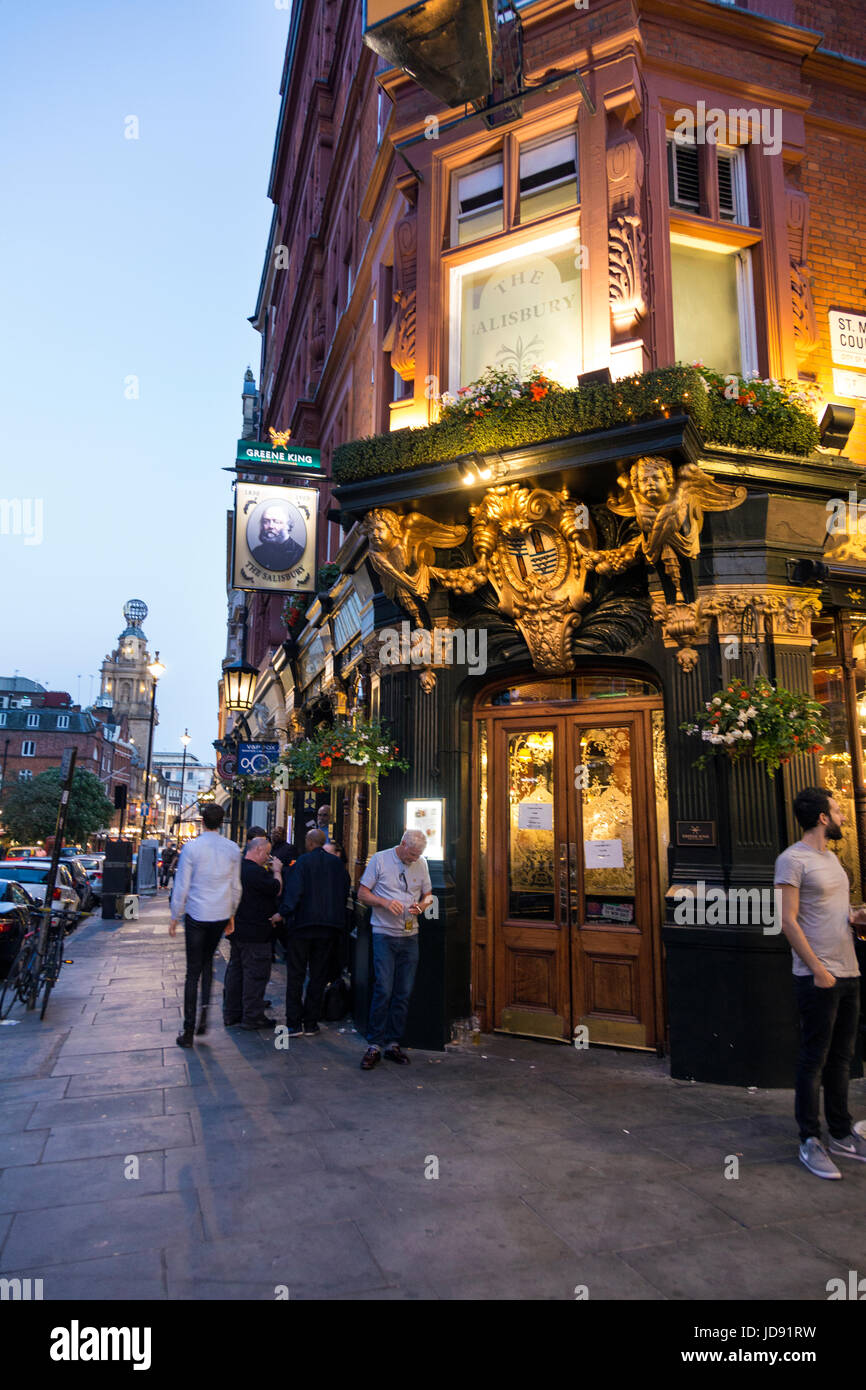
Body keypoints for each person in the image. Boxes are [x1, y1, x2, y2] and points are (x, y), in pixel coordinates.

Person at [775, 786, 866, 1178]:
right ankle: (810, 1140)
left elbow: (831, 910)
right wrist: (816, 969)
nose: (843, 815)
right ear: (822, 818)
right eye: (838, 810)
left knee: (842, 1058)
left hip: (849, 970)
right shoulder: (791, 860)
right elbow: (788, 920)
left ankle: (842, 1132)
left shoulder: (832, 860)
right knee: (814, 1058)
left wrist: (855, 916)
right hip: (819, 975)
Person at [357, 829, 433, 1070]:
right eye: (411, 854)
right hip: (384, 934)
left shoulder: (421, 864)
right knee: (384, 989)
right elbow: (362, 893)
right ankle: (374, 1044)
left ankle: (393, 1043)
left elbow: (429, 895)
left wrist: (422, 907)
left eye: (417, 855)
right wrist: (385, 902)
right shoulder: (380, 860)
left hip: (411, 936)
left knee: (404, 991)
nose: (413, 859)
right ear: (402, 844)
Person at [169, 804, 243, 1048]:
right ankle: (203, 1017)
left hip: (197, 915)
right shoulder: (232, 849)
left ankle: (188, 1030)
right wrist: (231, 915)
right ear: (222, 822)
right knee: (208, 962)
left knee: (193, 971)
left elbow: (182, 885)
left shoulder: (191, 848)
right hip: (220, 914)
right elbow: (236, 887)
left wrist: (174, 915)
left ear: (202, 821)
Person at [278, 829, 350, 1037]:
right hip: (328, 928)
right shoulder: (337, 865)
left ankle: (293, 1023)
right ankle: (311, 1022)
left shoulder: (302, 863)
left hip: (302, 927)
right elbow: (344, 890)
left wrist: (283, 913)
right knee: (318, 975)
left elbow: (294, 893)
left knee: (296, 975)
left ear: (310, 843)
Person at [223, 836, 282, 1031]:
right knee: (255, 974)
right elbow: (276, 889)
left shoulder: (235, 868)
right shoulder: (256, 873)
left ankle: (232, 1013)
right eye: (266, 853)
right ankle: (252, 1016)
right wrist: (277, 871)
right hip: (256, 933)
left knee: (236, 972)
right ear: (257, 850)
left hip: (237, 930)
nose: (267, 857)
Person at [249, 503, 305, 572]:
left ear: (288, 525)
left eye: (277, 522)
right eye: (266, 521)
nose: (271, 526)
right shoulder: (257, 552)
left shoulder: (299, 554)